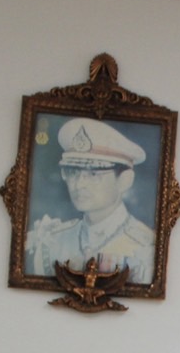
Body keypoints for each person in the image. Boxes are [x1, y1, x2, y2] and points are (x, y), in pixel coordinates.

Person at [28, 117, 157, 284]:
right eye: (73, 172)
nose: (79, 184)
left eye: (94, 174)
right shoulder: (52, 242)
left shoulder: (147, 248)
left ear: (125, 180)